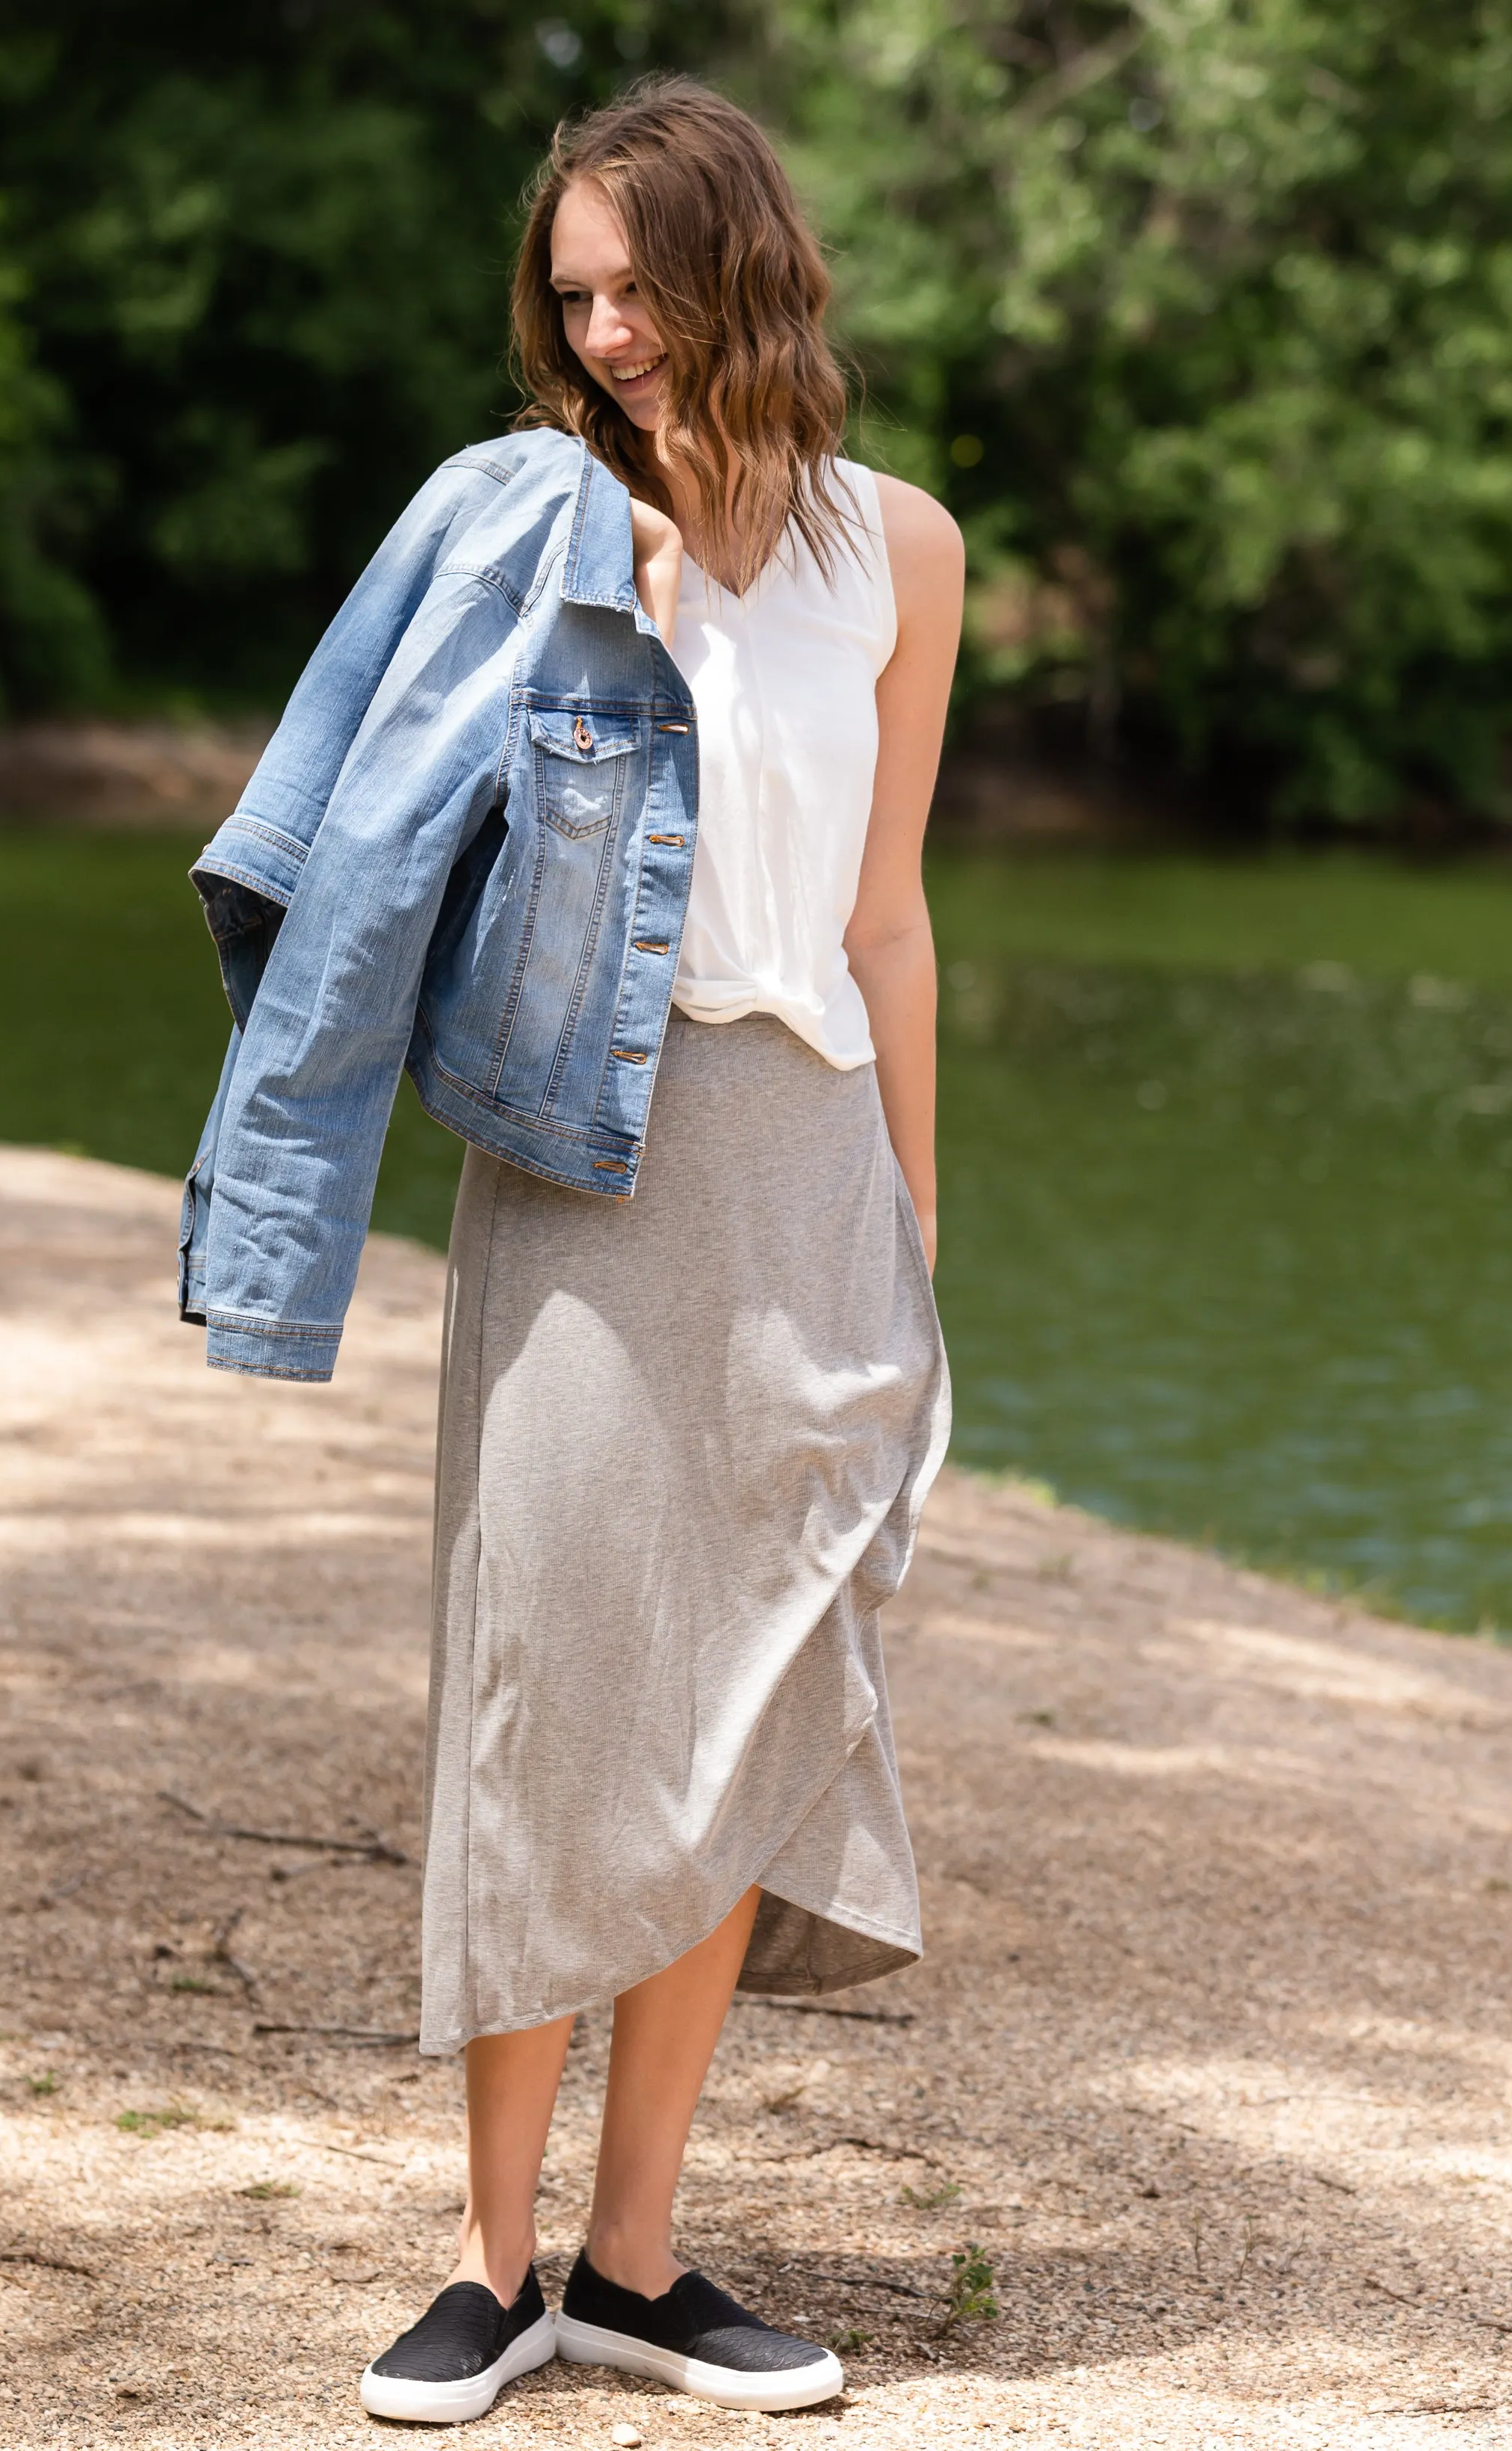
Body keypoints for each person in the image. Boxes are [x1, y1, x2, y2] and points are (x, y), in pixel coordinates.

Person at [179, 73, 961, 2426]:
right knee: (545, 1686)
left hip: (811, 1142)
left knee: (735, 1700)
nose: (606, 334)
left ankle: (634, 2260)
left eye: (638, 286)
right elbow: (366, 859)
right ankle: (486, 2261)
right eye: (575, 298)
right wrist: (570, 647)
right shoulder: (519, 526)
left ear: (743, 267)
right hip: (588, 1150)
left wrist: (923, 1217)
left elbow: (889, 917)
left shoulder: (900, 548)